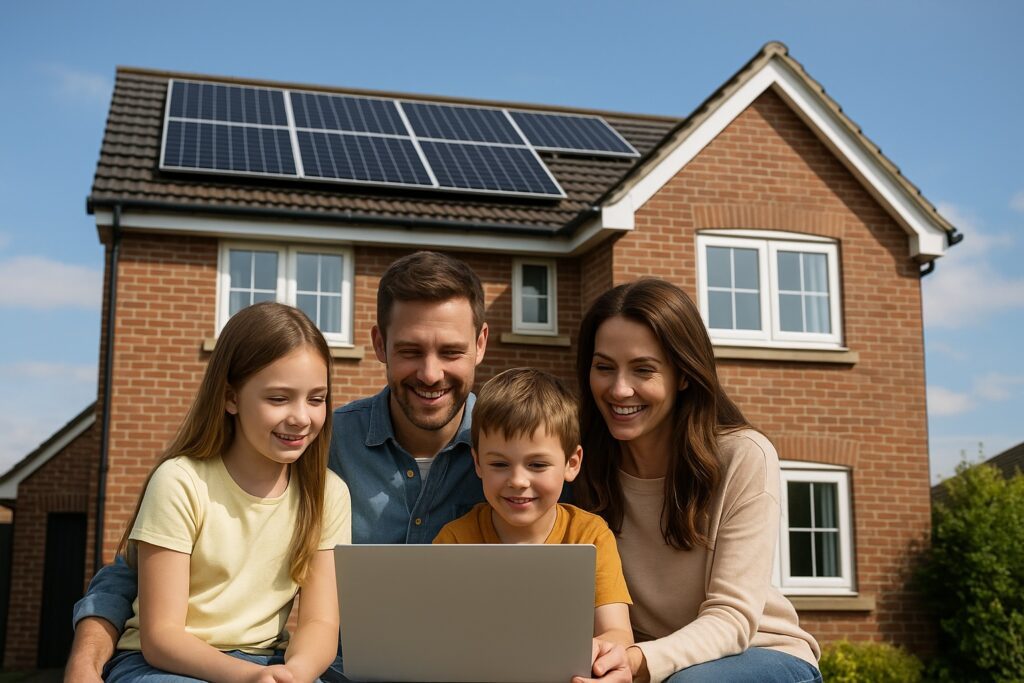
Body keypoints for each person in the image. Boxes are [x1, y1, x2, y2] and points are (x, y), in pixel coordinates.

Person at [67, 252, 630, 683]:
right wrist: (87, 657)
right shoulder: (313, 444)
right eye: (410, 350)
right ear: (379, 344)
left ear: (482, 344)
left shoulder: (523, 451)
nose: (431, 374)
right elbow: (136, 573)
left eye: (451, 352)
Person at [576, 279, 822, 683]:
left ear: (684, 375)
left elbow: (732, 618)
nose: (619, 389)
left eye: (643, 369)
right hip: (636, 659)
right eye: (604, 367)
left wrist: (637, 662)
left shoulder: (744, 455)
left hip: (759, 652)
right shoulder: (576, 461)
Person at [102, 302, 351, 682]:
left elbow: (320, 621)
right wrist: (247, 678)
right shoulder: (180, 482)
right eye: (278, 398)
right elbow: (161, 636)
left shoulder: (327, 493)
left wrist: (295, 673)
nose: (302, 417)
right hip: (165, 666)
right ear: (230, 397)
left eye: (316, 399)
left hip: (268, 662)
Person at [434, 367, 634, 655]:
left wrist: (599, 651)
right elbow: (437, 633)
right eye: (499, 464)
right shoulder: (455, 539)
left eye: (537, 465)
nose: (517, 481)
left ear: (572, 463)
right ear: (477, 463)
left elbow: (617, 632)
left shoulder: (589, 535)